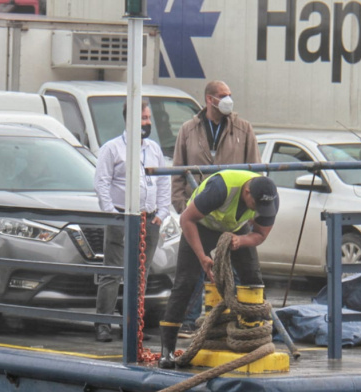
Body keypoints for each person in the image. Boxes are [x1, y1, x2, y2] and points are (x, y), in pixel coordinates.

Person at [159, 170, 278, 368]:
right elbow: (186, 219)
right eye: (257, 205)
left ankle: (252, 339)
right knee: (185, 282)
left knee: (253, 279)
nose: (259, 210)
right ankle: (167, 351)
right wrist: (202, 257)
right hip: (200, 225)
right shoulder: (220, 188)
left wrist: (241, 240)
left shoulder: (270, 200)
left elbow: (260, 234)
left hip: (235, 229)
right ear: (247, 192)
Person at [171, 80, 260, 338]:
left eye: (230, 94)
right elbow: (178, 171)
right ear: (210, 99)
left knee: (244, 270)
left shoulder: (243, 129)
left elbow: (256, 170)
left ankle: (244, 319)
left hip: (233, 213)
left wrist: (251, 213)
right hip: (200, 213)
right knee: (193, 270)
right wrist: (183, 207)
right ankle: (187, 322)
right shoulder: (189, 130)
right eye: (223, 95)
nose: (228, 99)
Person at [93, 100, 171, 342]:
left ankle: (133, 325)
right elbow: (101, 182)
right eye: (143, 118)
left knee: (140, 274)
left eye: (148, 118)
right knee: (113, 272)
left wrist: (162, 213)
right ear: (130, 119)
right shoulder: (112, 148)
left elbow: (163, 181)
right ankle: (103, 324)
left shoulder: (154, 149)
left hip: (149, 219)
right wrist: (111, 213)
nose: (147, 123)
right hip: (121, 217)